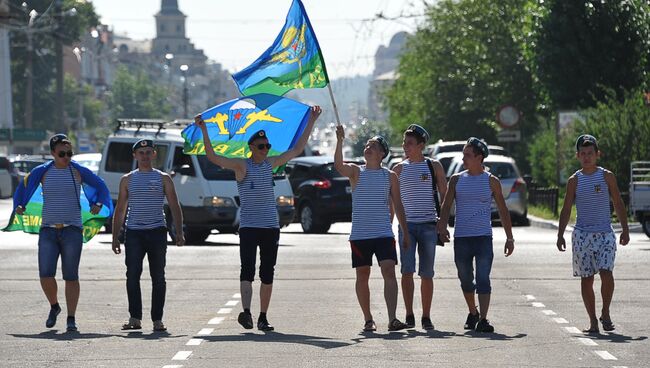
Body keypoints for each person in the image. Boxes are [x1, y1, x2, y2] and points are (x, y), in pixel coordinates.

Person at [194, 106, 322, 331]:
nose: (265, 149)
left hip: (270, 226)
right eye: (261, 146)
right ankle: (246, 312)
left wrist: (312, 119)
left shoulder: (270, 164)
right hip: (250, 226)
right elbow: (213, 157)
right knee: (247, 269)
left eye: (267, 146)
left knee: (268, 271)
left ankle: (263, 316)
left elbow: (297, 148)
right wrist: (204, 130)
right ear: (252, 147)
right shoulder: (242, 166)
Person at [12, 134, 111, 332]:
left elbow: (100, 185)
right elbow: (23, 187)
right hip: (48, 230)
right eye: (62, 154)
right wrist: (19, 205)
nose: (66, 157)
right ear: (52, 153)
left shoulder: (78, 171)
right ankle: (54, 306)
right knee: (45, 275)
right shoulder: (42, 171)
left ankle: (71, 318)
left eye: (69, 153)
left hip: (72, 230)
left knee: (71, 276)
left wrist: (98, 203)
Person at [334, 124, 411, 332]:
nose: (368, 147)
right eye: (367, 145)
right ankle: (368, 319)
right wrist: (340, 140)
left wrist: (405, 232)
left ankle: (393, 318)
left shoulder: (389, 176)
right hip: (360, 235)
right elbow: (339, 165)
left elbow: (399, 204)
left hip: (383, 233)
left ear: (382, 153)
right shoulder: (356, 172)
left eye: (373, 146)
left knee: (388, 270)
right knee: (362, 275)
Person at [437, 137, 514, 333]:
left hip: (482, 238)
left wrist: (509, 237)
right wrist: (442, 226)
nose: (464, 159)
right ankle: (473, 312)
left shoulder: (491, 181)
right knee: (465, 278)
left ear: (479, 158)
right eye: (463, 155)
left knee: (482, 278)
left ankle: (484, 319)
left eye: (468, 156)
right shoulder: (456, 179)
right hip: (462, 238)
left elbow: (503, 210)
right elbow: (446, 205)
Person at [556, 134, 629, 333]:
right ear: (578, 156)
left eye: (590, 153)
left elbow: (618, 202)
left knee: (606, 273)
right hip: (582, 236)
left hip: (605, 233)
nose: (587, 157)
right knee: (587, 278)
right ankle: (593, 322)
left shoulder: (607, 176)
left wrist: (625, 229)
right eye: (583, 154)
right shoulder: (574, 180)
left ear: (598, 154)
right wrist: (560, 234)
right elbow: (566, 209)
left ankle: (605, 312)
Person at [111, 139, 185, 332]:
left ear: (154, 155)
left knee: (158, 277)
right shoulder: (127, 179)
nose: (144, 156)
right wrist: (115, 237)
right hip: (134, 232)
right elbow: (120, 210)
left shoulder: (163, 178)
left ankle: (157, 320)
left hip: (157, 232)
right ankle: (135, 318)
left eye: (148, 152)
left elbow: (174, 205)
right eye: (141, 152)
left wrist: (179, 231)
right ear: (135, 156)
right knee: (132, 275)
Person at [392, 124, 447, 330]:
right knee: (407, 271)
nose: (405, 147)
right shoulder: (398, 169)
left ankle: (426, 316)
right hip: (407, 227)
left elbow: (445, 195)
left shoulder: (434, 166)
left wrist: (443, 223)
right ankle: (409, 314)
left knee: (427, 273)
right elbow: (392, 201)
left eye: (410, 144)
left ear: (421, 145)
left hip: (429, 226)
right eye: (404, 143)